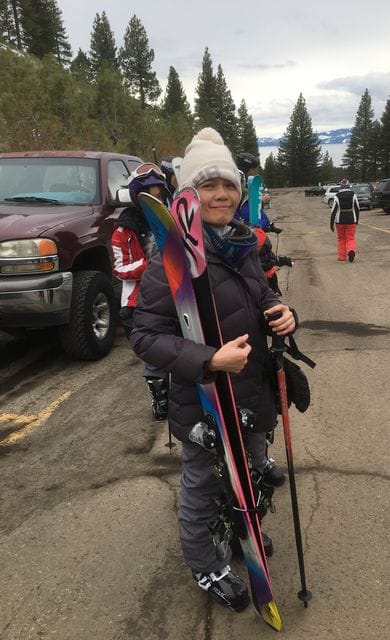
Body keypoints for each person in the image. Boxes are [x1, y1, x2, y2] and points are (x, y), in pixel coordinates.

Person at [130, 128, 297, 613]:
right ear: (188, 195)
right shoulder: (170, 260)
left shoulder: (241, 246)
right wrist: (208, 361)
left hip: (251, 392)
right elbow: (145, 337)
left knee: (250, 470)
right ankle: (206, 563)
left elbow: (263, 295)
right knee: (202, 487)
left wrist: (283, 313)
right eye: (208, 185)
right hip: (204, 399)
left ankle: (245, 531)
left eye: (228, 185)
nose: (221, 194)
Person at [111, 163, 170, 421]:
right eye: (148, 196)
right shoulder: (124, 230)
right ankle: (160, 397)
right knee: (155, 353)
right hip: (142, 299)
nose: (154, 200)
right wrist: (151, 264)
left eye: (158, 195)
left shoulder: (172, 218)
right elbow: (120, 269)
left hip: (177, 294)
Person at [234, 152, 281, 232]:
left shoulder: (243, 187)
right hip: (247, 234)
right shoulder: (239, 190)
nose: (254, 172)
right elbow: (250, 215)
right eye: (252, 169)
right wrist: (261, 201)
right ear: (245, 170)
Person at [329, 179, 360, 262]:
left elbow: (333, 211)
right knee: (350, 238)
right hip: (351, 220)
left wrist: (331, 224)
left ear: (341, 186)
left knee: (341, 239)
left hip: (339, 221)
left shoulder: (337, 196)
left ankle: (342, 257)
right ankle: (351, 250)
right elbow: (357, 208)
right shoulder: (353, 195)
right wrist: (357, 220)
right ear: (349, 186)